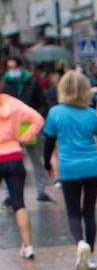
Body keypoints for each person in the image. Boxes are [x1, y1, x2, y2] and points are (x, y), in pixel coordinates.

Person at [43, 71, 97, 270]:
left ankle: (80, 243)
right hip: (93, 167)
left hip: (69, 167)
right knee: (89, 212)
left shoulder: (55, 113)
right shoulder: (91, 113)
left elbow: (48, 142)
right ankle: (92, 256)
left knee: (73, 212)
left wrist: (47, 164)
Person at [0, 81, 44, 259]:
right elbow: (38, 119)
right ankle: (28, 245)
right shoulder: (13, 103)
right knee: (19, 204)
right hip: (14, 156)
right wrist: (25, 136)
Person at [3, 57, 52, 203]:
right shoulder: (6, 84)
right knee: (8, 161)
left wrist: (34, 116)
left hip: (29, 127)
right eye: (9, 68)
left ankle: (41, 191)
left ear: (20, 67)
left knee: (36, 160)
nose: (12, 71)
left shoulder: (32, 82)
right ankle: (8, 195)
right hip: (11, 129)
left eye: (14, 67)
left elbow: (43, 104)